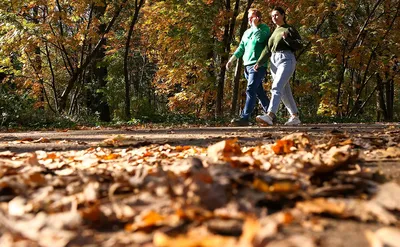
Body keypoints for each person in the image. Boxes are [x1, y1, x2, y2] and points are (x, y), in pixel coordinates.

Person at [254, 6, 302, 125]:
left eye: (276, 15)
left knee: (276, 87)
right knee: (284, 91)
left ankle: (270, 115)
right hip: (274, 61)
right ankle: (295, 117)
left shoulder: (289, 29)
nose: (274, 18)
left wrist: (287, 40)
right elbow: (267, 49)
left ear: (283, 15)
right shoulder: (274, 32)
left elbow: (299, 44)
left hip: (286, 59)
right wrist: (259, 62)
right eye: (272, 16)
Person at [226, 8, 271, 126]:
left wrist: (256, 27)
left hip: (258, 66)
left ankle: (245, 118)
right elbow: (241, 48)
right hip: (247, 66)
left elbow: (261, 39)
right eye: (249, 18)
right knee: (259, 91)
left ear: (258, 18)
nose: (250, 20)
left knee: (250, 89)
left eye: (252, 17)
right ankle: (271, 114)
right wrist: (231, 60)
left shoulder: (264, 29)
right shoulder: (246, 32)